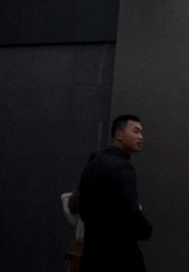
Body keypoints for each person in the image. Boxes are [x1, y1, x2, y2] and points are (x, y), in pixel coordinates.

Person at [77, 114, 152, 272]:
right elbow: (131, 213)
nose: (141, 137)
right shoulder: (122, 168)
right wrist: (146, 229)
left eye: (141, 133)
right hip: (119, 258)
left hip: (92, 255)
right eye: (136, 131)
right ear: (119, 135)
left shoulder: (95, 161)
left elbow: (82, 205)